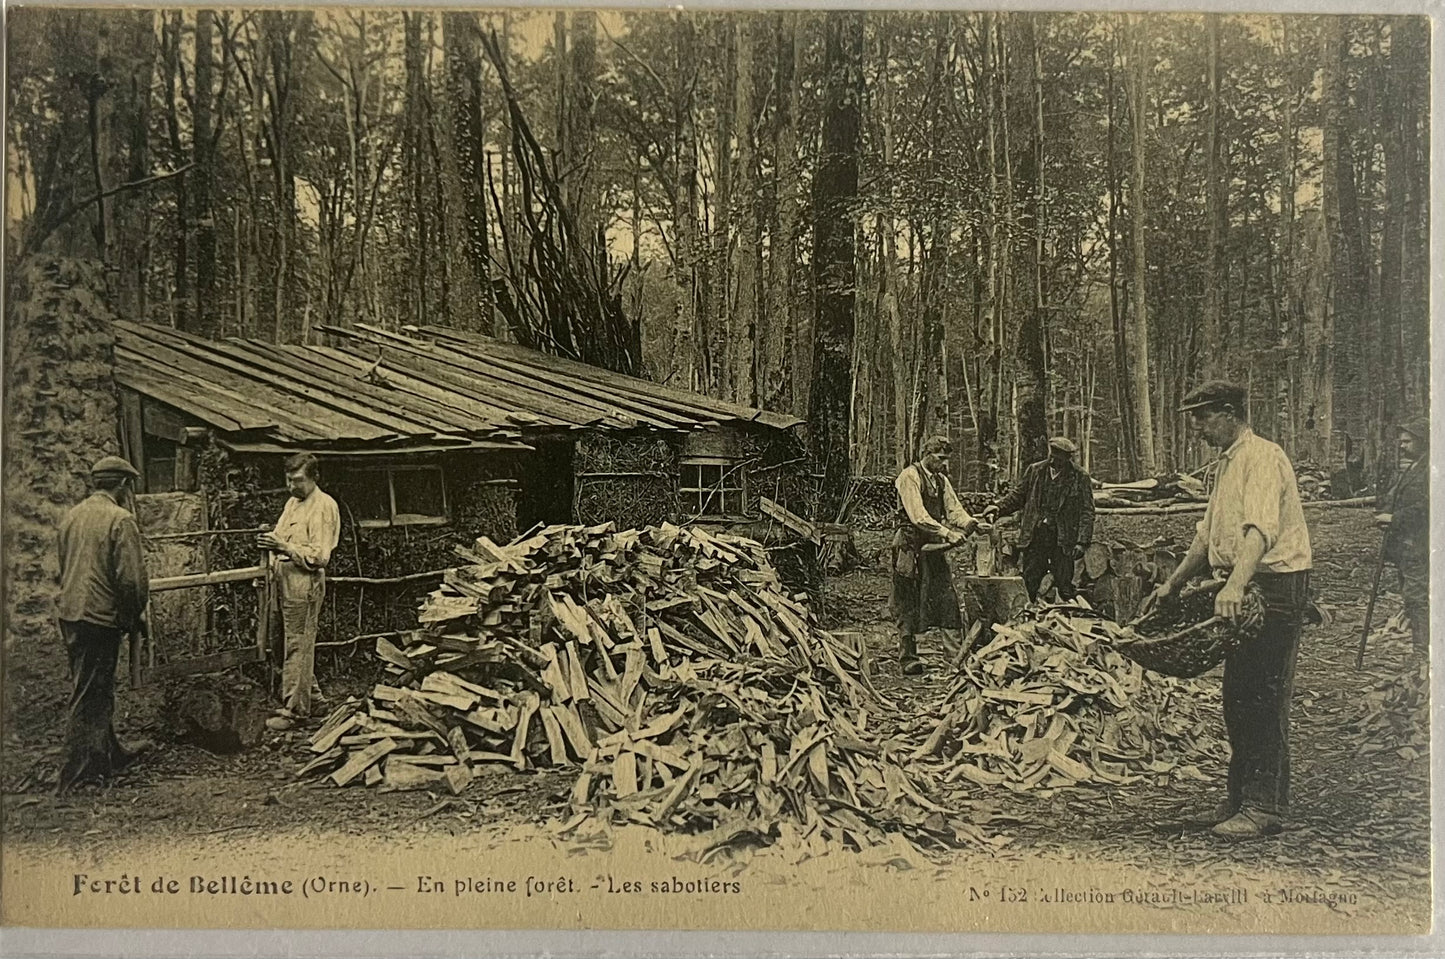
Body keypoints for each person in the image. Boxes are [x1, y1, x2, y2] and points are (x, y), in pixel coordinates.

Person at [1140, 381, 1312, 840]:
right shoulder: (1227, 463)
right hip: (1244, 581)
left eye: (1202, 416)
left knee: (1264, 695)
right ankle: (1239, 799)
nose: (1195, 427)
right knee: (1238, 696)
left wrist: (1236, 584)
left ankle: (1265, 806)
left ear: (1230, 413)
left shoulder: (1263, 457)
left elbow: (1259, 531)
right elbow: (1208, 533)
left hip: (1274, 585)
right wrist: (1172, 584)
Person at [55, 456, 151, 794]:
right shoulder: (120, 520)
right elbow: (131, 582)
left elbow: (63, 568)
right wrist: (133, 615)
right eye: (129, 485)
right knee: (90, 693)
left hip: (71, 614)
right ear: (123, 485)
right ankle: (76, 774)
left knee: (93, 685)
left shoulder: (71, 516)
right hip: (98, 617)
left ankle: (108, 752)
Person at [257, 453, 340, 731]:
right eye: (289, 480)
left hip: (305, 584)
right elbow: (280, 539)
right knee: (288, 643)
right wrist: (271, 548)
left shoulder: (323, 506)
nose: (292, 486)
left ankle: (295, 712)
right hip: (284, 582)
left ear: (314, 478)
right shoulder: (292, 504)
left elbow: (320, 555)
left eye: (298, 480)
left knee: (298, 646)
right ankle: (314, 701)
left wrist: (284, 548)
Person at [891, 436, 979, 675]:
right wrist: (948, 533)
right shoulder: (909, 477)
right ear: (927, 454)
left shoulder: (941, 481)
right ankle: (908, 657)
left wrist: (970, 523)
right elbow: (918, 516)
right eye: (940, 458)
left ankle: (955, 657)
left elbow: (953, 510)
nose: (943, 464)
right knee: (907, 600)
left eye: (946, 459)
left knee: (946, 596)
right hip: (909, 545)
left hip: (933, 547)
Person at [983, 437, 1095, 602]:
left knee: (1065, 585)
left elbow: (1087, 512)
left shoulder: (1080, 477)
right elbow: (1017, 496)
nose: (1052, 458)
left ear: (1067, 457)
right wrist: (998, 508)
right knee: (1030, 581)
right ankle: (1029, 619)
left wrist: (1081, 542)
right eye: (1052, 453)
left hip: (1063, 540)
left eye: (1058, 455)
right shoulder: (1035, 471)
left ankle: (1065, 621)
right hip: (1035, 537)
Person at [1376, 417, 1429, 656]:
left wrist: (1395, 519)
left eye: (1407, 441)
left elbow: (1429, 506)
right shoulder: (1413, 466)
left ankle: (1424, 654)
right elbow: (1397, 497)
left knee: (1417, 599)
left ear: (1423, 441)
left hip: (1421, 545)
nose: (1402, 446)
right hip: (1405, 547)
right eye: (1401, 441)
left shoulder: (1432, 468)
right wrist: (1386, 512)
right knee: (1410, 598)